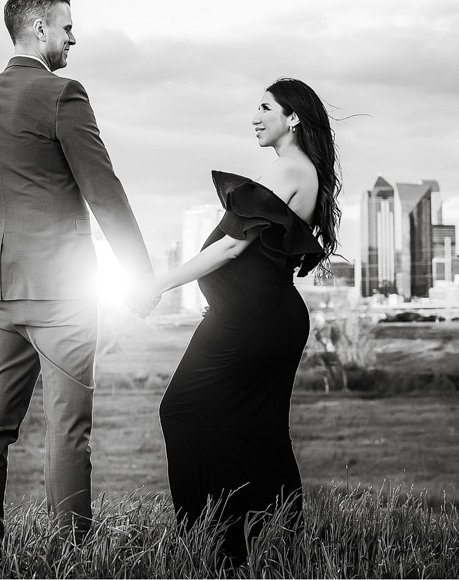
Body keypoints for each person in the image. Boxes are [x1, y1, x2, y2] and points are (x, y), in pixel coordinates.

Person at [0, 0, 155, 562]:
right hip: (63, 296)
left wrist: (3, 257)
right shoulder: (63, 94)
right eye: (67, 26)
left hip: (1, 288)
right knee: (68, 431)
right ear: (40, 29)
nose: (74, 36)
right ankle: (70, 560)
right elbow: (104, 190)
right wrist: (140, 275)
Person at [139, 77, 341, 563]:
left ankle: (213, 540)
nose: (255, 116)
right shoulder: (305, 171)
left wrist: (156, 284)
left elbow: (231, 247)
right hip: (268, 318)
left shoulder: (289, 170)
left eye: (265, 108)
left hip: (247, 321)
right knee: (258, 429)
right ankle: (270, 539)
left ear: (292, 118)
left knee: (182, 412)